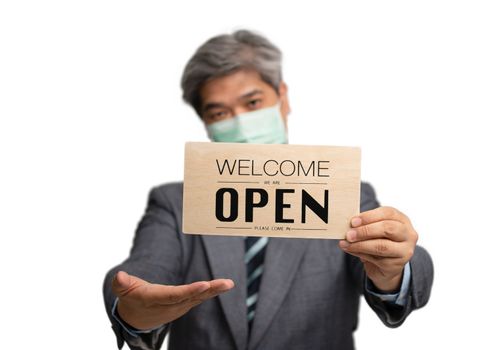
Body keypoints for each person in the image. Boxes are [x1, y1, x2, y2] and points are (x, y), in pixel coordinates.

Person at [103, 29, 433, 350]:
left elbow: (398, 265)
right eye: (219, 112)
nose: (241, 122)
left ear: (283, 97)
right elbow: (140, 274)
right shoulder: (174, 203)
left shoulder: (345, 192)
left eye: (253, 102)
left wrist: (393, 269)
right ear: (205, 122)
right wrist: (134, 307)